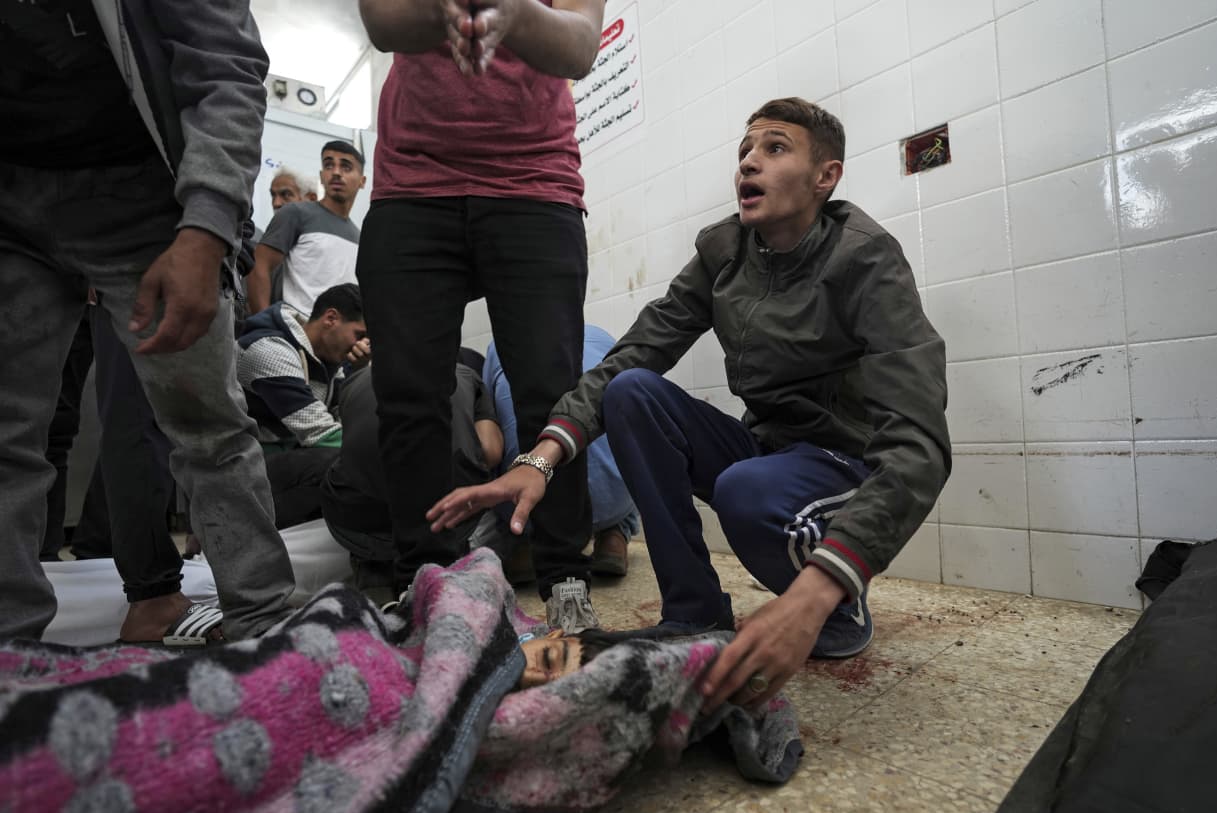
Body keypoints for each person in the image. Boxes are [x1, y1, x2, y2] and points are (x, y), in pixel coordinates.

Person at [429, 97, 951, 711]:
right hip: (772, 451)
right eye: (744, 151)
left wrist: (812, 595)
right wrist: (539, 460)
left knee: (744, 490)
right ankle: (694, 613)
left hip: (843, 461)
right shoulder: (724, 252)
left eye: (774, 148)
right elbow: (632, 355)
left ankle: (836, 613)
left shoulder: (864, 257)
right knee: (632, 392)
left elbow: (920, 446)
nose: (748, 162)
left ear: (825, 177)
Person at [0, 0, 297, 642]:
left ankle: (267, 631)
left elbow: (225, 58)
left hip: (140, 191)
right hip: (10, 198)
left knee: (205, 425)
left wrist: (207, 226)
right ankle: (10, 654)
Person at [355, 0, 606, 632]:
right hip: (413, 183)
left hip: (535, 181)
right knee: (409, 395)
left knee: (551, 390)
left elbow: (579, 46)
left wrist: (513, 12)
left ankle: (564, 579)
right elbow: (383, 23)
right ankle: (426, 580)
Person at [320, 362, 504, 606]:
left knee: (358, 476)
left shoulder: (353, 382)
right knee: (463, 484)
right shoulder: (463, 373)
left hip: (359, 519)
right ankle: (440, 579)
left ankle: (375, 580)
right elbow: (491, 452)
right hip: (441, 515)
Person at [483, 324, 640, 576]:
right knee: (628, 440)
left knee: (492, 434)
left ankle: (523, 541)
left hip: (526, 504)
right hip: (614, 498)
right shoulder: (602, 338)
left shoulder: (498, 345)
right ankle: (614, 536)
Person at [237, 283, 369, 529]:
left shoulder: (331, 364)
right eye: (359, 335)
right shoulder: (270, 349)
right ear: (331, 318)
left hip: (280, 463)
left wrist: (359, 373)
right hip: (243, 470)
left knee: (352, 462)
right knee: (341, 465)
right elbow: (321, 433)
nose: (360, 345)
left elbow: (350, 423)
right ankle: (240, 528)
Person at [245, 141, 366, 316]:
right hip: (294, 335)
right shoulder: (295, 213)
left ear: (362, 181)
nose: (336, 172)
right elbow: (259, 266)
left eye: (346, 167)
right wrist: (263, 327)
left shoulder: (359, 237)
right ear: (322, 175)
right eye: (329, 165)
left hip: (339, 339)